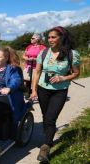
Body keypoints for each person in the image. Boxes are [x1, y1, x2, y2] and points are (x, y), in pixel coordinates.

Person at [30, 26, 80, 163]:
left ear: (61, 38)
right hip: (42, 89)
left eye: (53, 37)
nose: (50, 40)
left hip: (60, 91)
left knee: (51, 118)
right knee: (46, 116)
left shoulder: (72, 54)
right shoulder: (44, 53)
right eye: (49, 37)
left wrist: (62, 78)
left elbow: (76, 73)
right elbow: (37, 72)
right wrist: (33, 90)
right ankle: (49, 137)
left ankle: (45, 147)